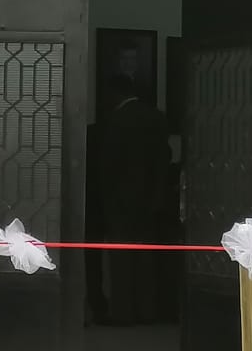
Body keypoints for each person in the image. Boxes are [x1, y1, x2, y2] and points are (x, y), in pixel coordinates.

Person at [97, 73, 171, 326]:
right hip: (151, 199)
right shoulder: (156, 117)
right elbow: (164, 158)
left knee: (121, 259)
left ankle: (122, 312)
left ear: (114, 93)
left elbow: (108, 164)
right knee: (147, 258)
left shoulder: (115, 120)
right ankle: (147, 310)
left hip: (120, 200)